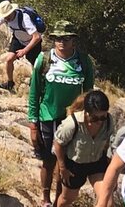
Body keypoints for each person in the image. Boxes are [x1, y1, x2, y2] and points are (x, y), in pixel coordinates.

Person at [28, 20, 94, 207]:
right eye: (57, 38)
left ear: (74, 40)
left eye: (65, 38)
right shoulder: (44, 59)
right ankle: (45, 199)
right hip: (47, 116)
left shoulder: (83, 61)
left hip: (72, 120)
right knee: (48, 161)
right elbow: (34, 92)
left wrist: (88, 119)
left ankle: (60, 200)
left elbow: (88, 92)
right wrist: (33, 123)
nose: (61, 42)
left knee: (65, 163)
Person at [54, 90, 115, 207]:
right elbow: (58, 144)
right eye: (95, 118)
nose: (99, 122)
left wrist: (111, 170)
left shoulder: (108, 121)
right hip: (75, 166)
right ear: (86, 112)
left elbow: (109, 144)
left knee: (107, 201)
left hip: (97, 162)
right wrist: (62, 168)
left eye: (103, 117)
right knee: (67, 200)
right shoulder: (72, 123)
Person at [0, 0, 43, 91]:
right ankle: (10, 83)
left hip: (32, 43)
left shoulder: (24, 19)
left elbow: (37, 37)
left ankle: (37, 84)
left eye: (8, 15)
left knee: (36, 66)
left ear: (12, 11)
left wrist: (25, 50)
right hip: (18, 39)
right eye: (4, 16)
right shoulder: (4, 17)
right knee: (9, 59)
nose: (6, 18)